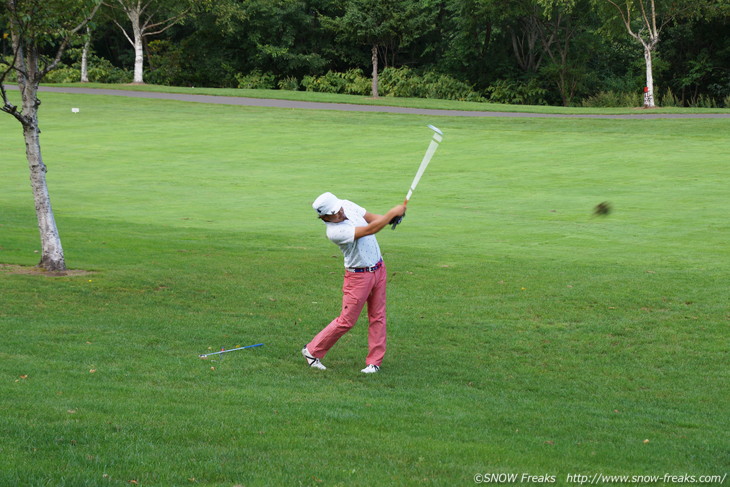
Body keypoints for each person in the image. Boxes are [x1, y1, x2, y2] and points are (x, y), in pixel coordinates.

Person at [302, 192, 407, 373]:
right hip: (358, 278)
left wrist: (391, 218)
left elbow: (372, 219)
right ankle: (312, 351)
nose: (341, 212)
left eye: (339, 209)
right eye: (335, 213)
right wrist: (392, 213)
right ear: (324, 217)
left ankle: (374, 362)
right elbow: (369, 230)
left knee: (378, 316)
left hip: (379, 268)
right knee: (346, 321)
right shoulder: (335, 232)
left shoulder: (345, 204)